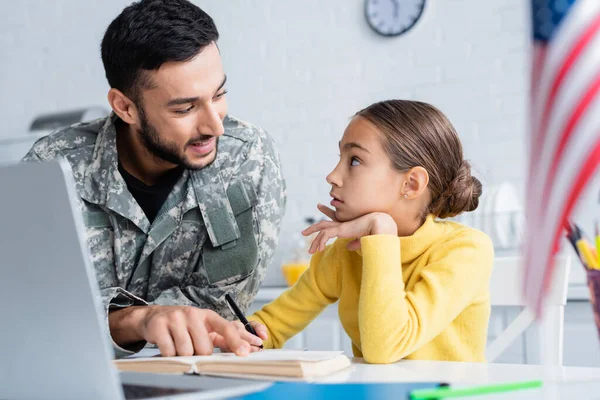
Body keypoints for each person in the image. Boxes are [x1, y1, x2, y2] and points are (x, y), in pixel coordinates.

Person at [22, 0, 286, 358]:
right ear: (125, 107)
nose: (215, 126)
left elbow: (216, 306)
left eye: (219, 94)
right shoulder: (50, 168)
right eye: (185, 108)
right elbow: (33, 309)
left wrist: (127, 320)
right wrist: (138, 321)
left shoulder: (247, 160)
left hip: (196, 376)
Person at [240, 99, 493, 364]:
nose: (332, 176)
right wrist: (244, 334)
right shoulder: (344, 253)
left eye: (356, 161)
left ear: (411, 184)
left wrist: (382, 232)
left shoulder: (466, 250)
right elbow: (270, 327)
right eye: (341, 158)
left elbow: (385, 349)